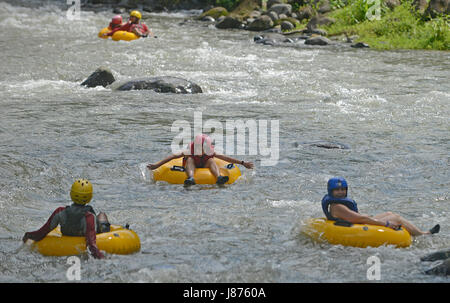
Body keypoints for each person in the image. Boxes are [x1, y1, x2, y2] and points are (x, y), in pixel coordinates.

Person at [321, 177, 440, 236]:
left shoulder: (337, 204)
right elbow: (361, 219)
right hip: (356, 227)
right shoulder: (338, 207)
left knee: (389, 213)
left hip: (354, 223)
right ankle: (423, 234)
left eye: (343, 189)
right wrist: (387, 224)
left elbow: (357, 217)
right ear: (331, 191)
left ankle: (421, 233)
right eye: (337, 190)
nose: (341, 192)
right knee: (396, 219)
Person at [22, 179, 111, 259]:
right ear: (89, 197)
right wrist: (103, 259)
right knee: (102, 214)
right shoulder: (89, 217)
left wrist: (28, 235)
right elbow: (91, 245)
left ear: (71, 194)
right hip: (96, 232)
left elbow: (41, 233)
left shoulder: (60, 212)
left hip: (67, 236)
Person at [147, 134, 254, 186]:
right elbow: (173, 157)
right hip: (191, 166)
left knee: (211, 161)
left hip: (204, 165)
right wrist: (157, 166)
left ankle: (219, 177)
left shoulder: (209, 152)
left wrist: (243, 163)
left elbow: (225, 158)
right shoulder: (190, 151)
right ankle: (191, 178)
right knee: (189, 160)